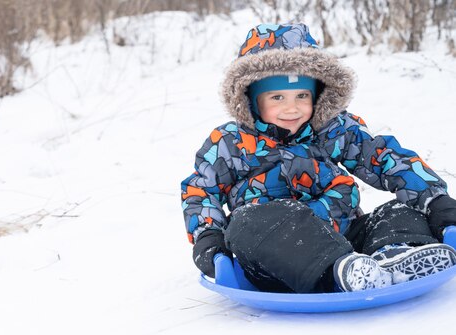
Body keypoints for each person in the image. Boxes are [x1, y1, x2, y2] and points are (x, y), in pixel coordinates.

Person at [181, 23, 456, 293]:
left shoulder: (333, 130)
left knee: (401, 210)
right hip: (273, 256)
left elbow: (383, 157)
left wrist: (435, 199)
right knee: (246, 222)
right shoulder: (230, 142)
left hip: (344, 238)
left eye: (302, 95)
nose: (292, 108)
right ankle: (336, 273)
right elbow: (201, 190)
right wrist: (208, 236)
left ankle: (394, 256)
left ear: (318, 95)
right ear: (251, 99)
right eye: (277, 97)